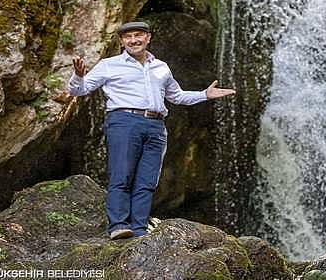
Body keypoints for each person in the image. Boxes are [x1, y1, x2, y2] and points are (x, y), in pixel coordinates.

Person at [67, 21, 235, 240]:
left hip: (156, 125)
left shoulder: (161, 67)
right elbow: (80, 90)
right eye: (128, 37)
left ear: (148, 38)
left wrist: (204, 94)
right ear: (121, 41)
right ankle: (118, 225)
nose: (134, 40)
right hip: (124, 120)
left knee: (147, 180)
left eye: (139, 35)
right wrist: (78, 75)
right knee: (122, 174)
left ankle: (138, 229)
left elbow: (176, 96)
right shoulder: (109, 65)